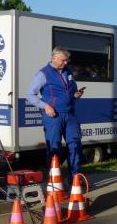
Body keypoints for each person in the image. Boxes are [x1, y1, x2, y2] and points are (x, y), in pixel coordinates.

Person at [25, 46, 85, 184]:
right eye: (63, 60)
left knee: (75, 145)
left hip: (70, 114)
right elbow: (30, 94)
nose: (66, 62)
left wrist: (76, 95)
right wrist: (45, 106)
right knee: (54, 147)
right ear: (54, 58)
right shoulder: (43, 74)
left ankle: (74, 178)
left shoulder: (68, 71)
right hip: (53, 116)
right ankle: (54, 180)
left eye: (67, 60)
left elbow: (72, 92)